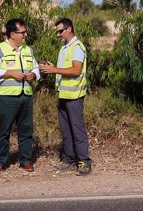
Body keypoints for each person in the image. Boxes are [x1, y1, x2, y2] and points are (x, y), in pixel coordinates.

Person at [39, 18, 92, 176]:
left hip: (74, 95)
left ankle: (84, 162)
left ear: (69, 29)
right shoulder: (64, 47)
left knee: (77, 129)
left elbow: (76, 70)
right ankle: (68, 158)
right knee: (66, 129)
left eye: (60, 31)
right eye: (57, 31)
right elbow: (62, 69)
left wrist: (54, 70)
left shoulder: (77, 47)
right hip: (63, 94)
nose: (58, 34)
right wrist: (51, 68)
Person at [0, 18, 40, 172]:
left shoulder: (28, 50)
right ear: (12, 34)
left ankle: (26, 160)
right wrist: (10, 74)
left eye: (25, 32)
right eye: (22, 32)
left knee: (26, 130)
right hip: (7, 98)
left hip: (26, 96)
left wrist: (34, 75)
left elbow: (36, 68)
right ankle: (1, 161)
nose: (25, 35)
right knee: (4, 131)